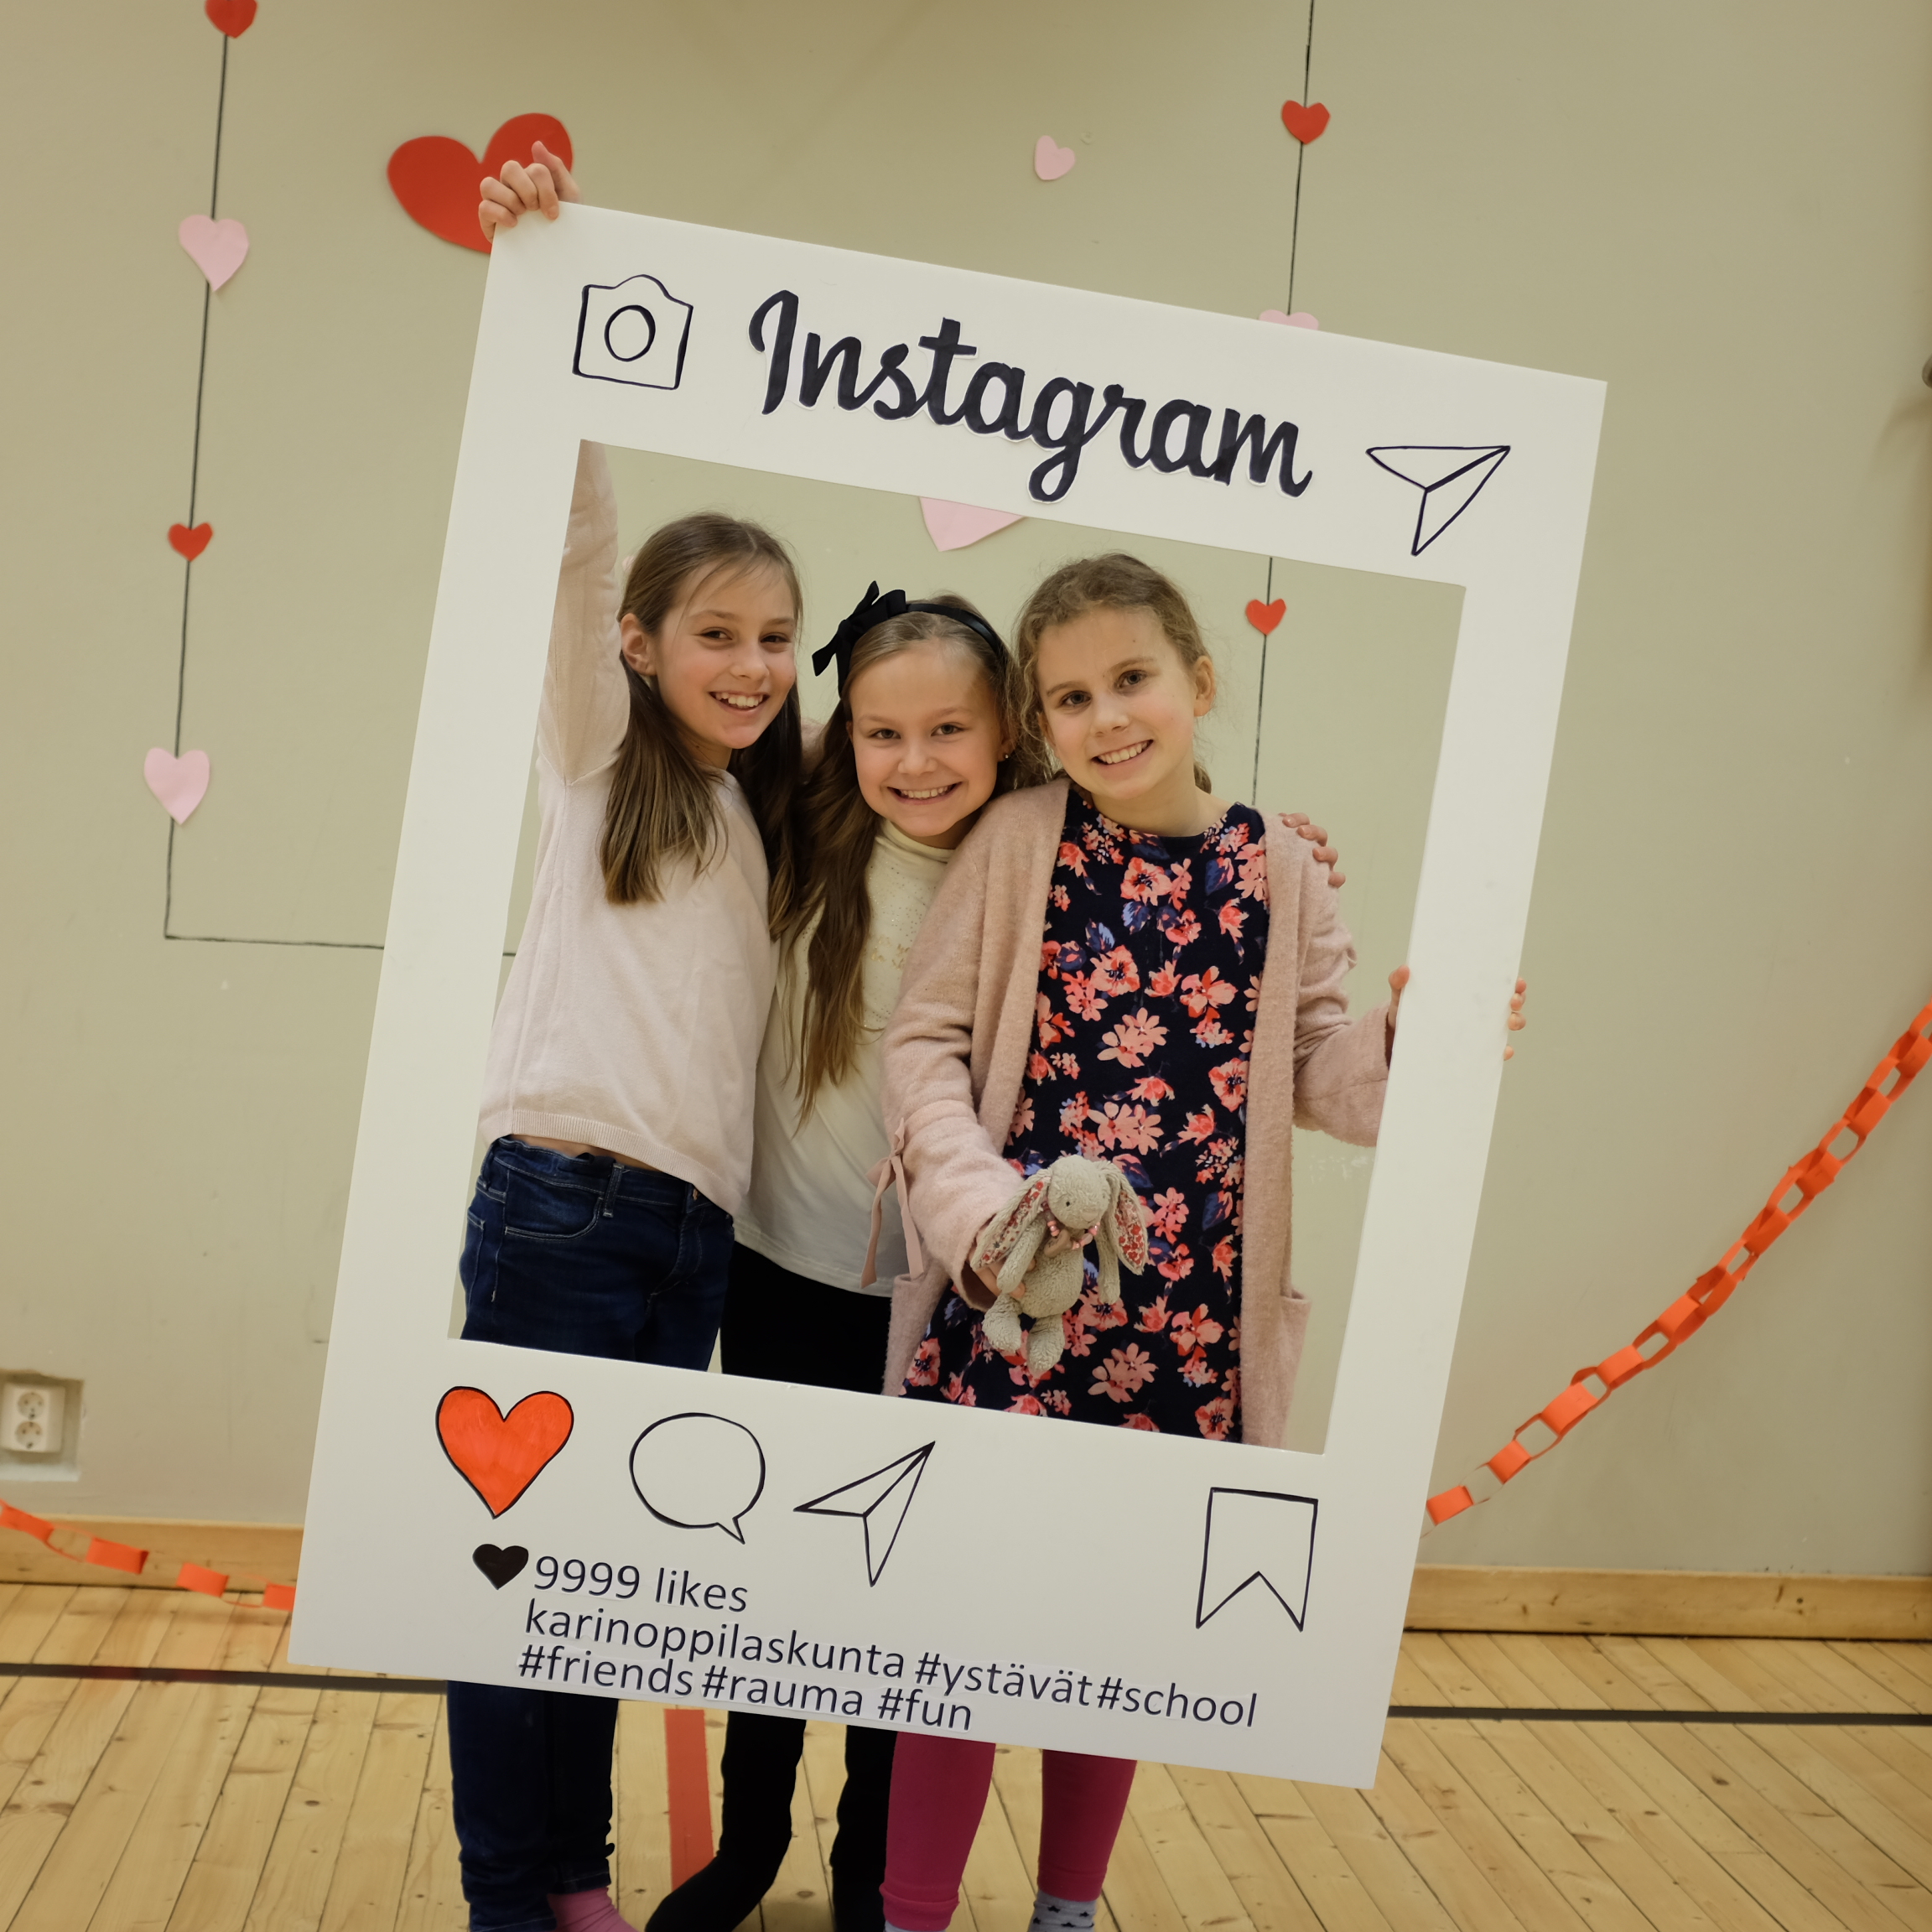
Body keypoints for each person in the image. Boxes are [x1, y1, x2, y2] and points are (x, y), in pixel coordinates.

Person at [875, 552, 1525, 1932]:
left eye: (1132, 679)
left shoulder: (1282, 868)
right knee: (957, 1644)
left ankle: (1068, 1910)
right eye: (1070, 698)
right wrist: (976, 1213)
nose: (1107, 717)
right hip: (1016, 1319)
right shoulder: (1018, 841)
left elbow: (1325, 1077)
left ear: (1201, 681)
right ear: (1040, 723)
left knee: (1110, 1648)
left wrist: (1424, 1038)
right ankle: (913, 1915)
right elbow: (924, 1044)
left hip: (1184, 1337)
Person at [454, 150, 807, 1932]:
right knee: (516, 1575)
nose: (748, 662)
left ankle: (576, 1877)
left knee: (594, 1584)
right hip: (565, 1210)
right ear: (638, 645)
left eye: (775, 638)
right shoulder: (602, 762)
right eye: (714, 634)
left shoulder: (761, 818)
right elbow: (570, 538)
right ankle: (511, 1894)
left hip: (690, 1239)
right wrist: (553, 296)